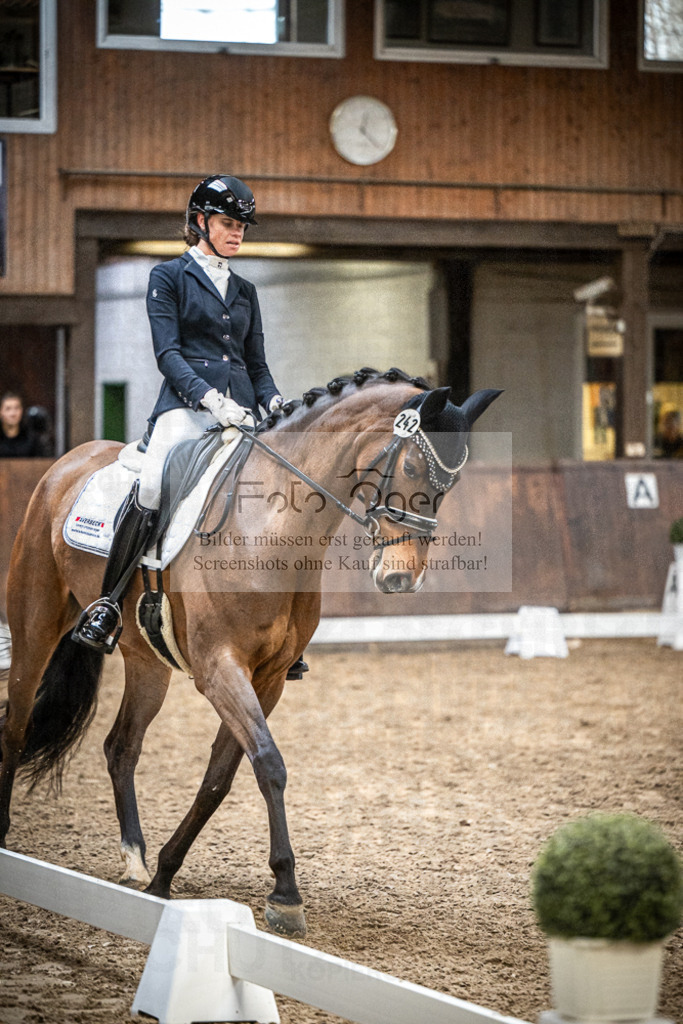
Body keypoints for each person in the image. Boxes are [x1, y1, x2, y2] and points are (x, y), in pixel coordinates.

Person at [72, 174, 288, 654]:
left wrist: (273, 400)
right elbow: (168, 355)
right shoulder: (167, 277)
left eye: (243, 227)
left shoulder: (246, 290)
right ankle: (108, 603)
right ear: (200, 221)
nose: (237, 233)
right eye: (229, 223)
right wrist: (211, 400)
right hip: (187, 409)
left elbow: (256, 364)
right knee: (151, 484)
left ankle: (277, 624)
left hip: (245, 412)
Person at [0, 391, 43, 457]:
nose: (13, 413)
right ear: (1, 412)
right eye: (8, 409)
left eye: (16, 408)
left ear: (22, 410)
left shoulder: (32, 439)